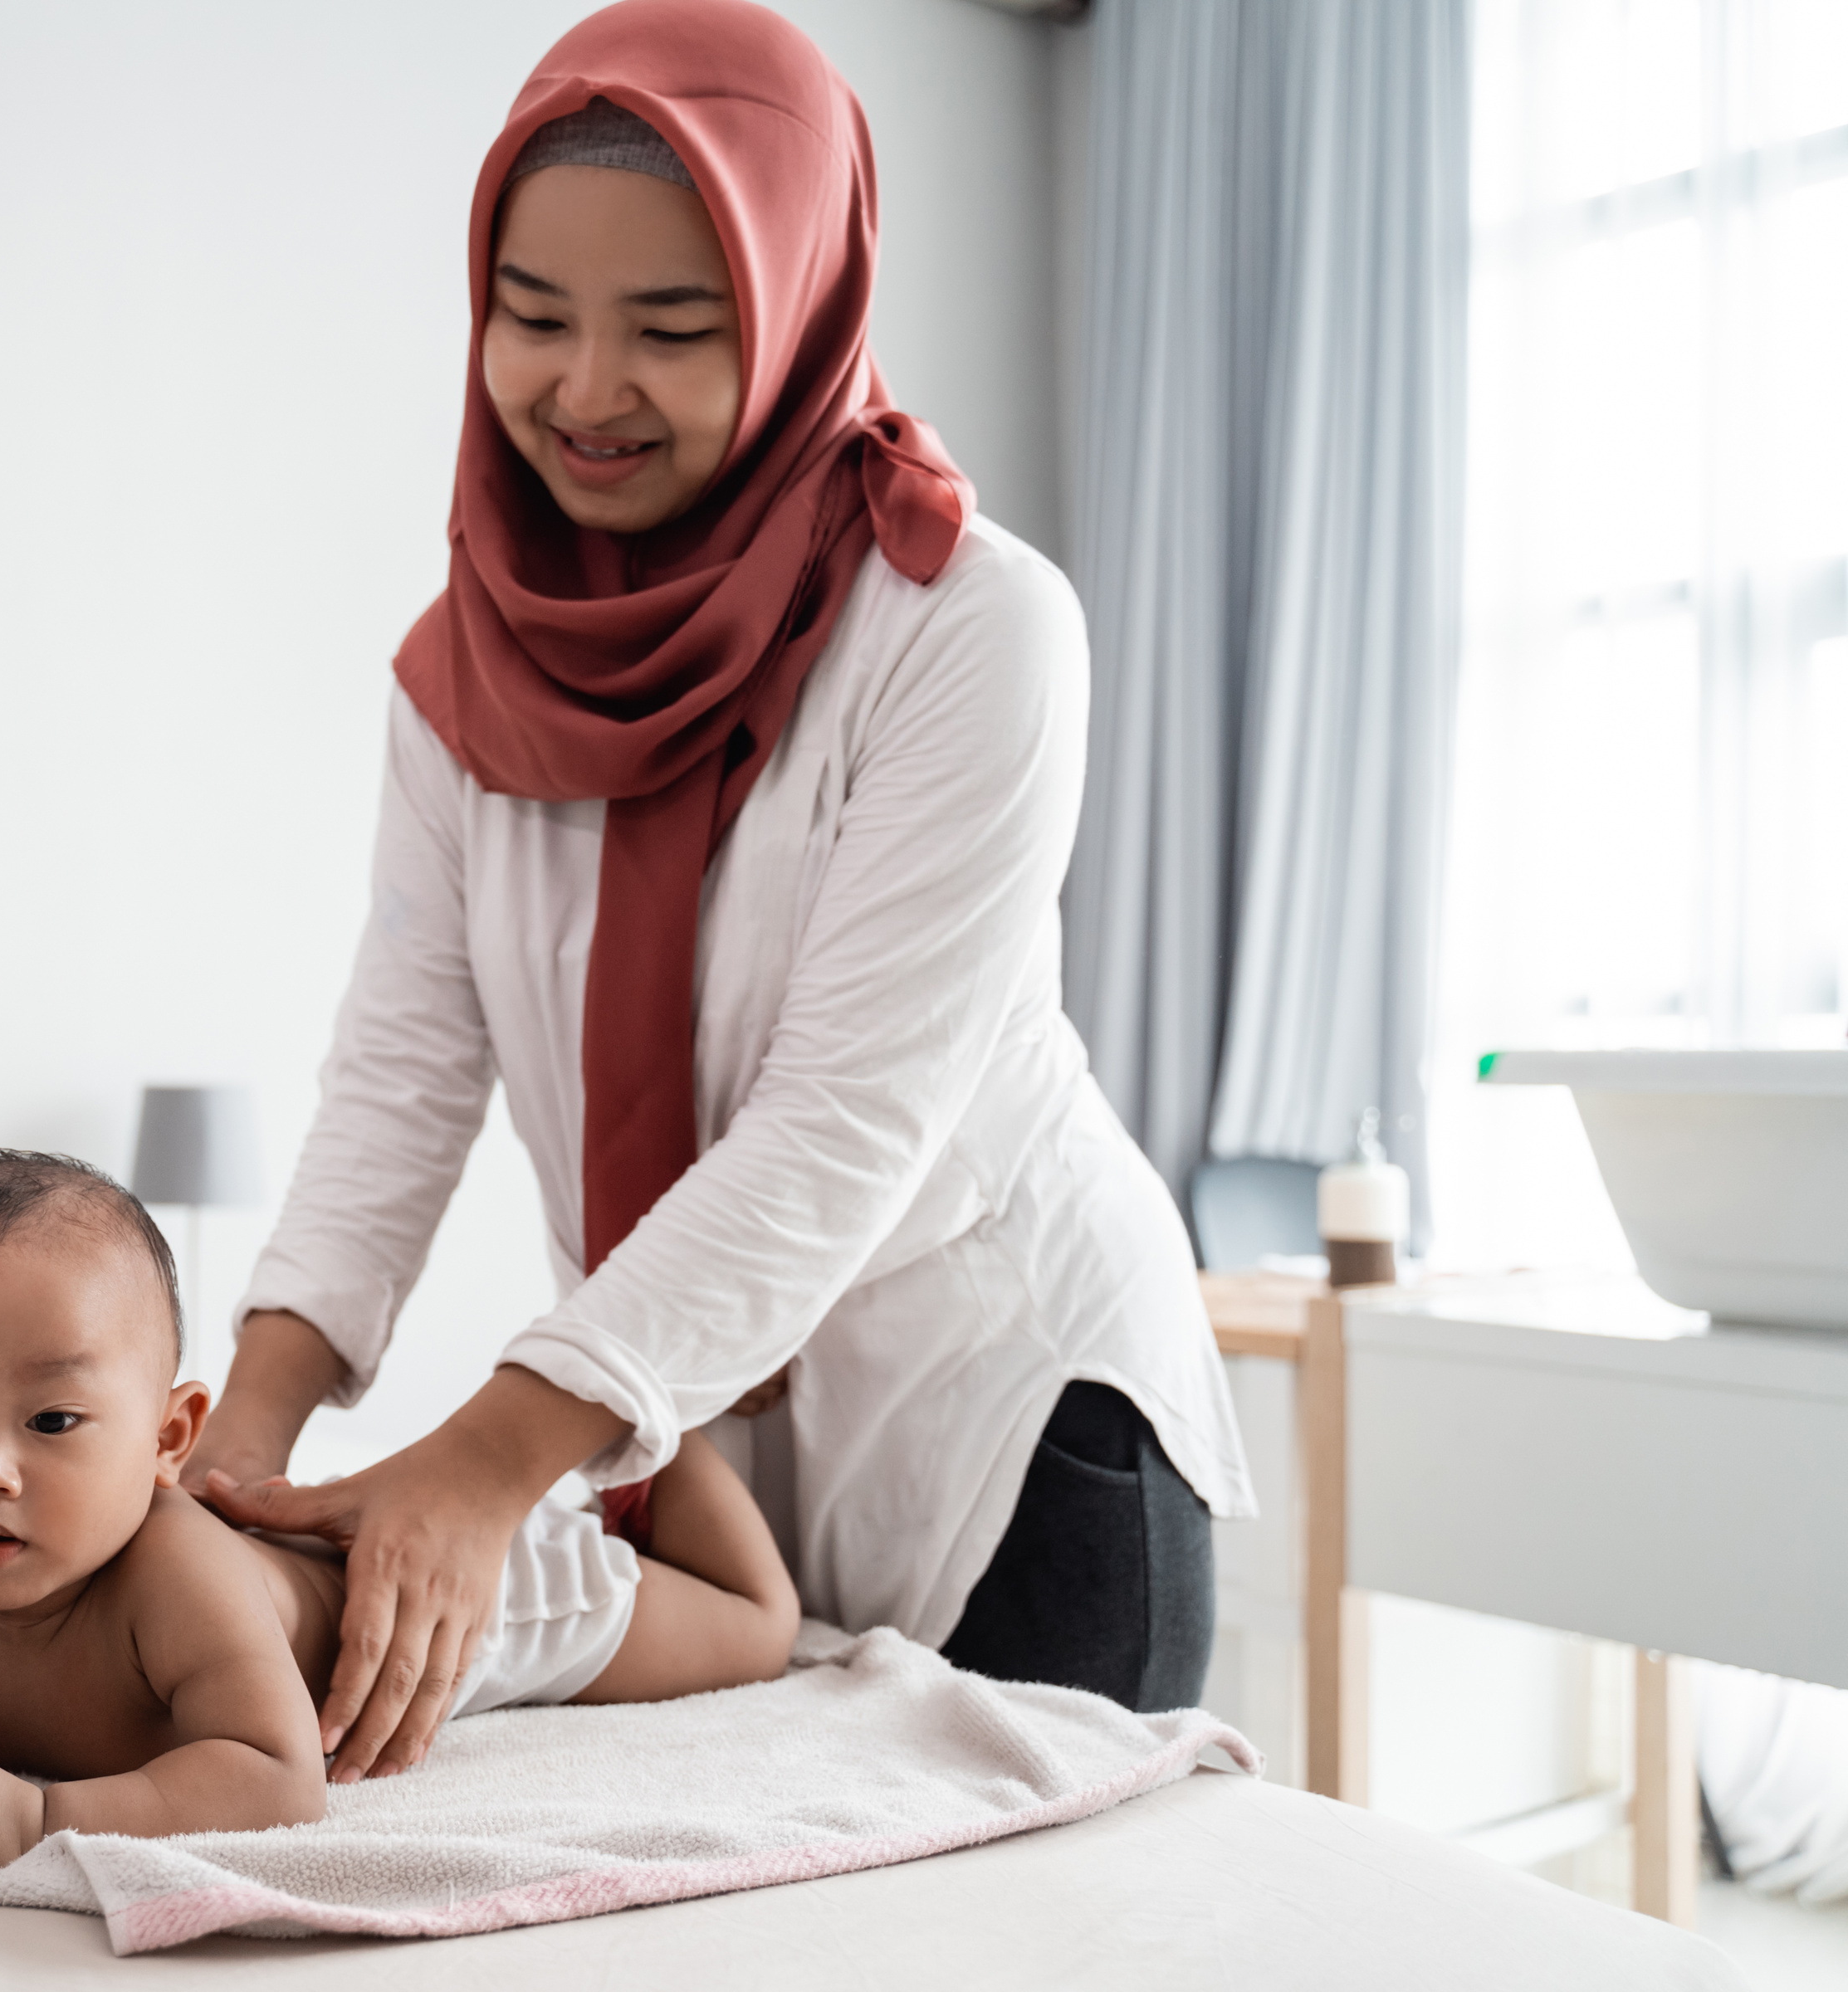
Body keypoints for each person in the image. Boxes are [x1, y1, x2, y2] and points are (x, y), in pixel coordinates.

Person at [188, 0, 1254, 1785]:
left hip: (1008, 1426)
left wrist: (479, 1463)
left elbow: (844, 1123)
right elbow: (400, 1080)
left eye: (674, 330)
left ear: (796, 314)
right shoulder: (461, 677)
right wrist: (234, 1458)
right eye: (532, 318)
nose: (585, 392)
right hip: (683, 1455)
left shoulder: (972, 632)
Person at [0, 1150, 796, 1887]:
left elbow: (274, 1779)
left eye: (55, 1418)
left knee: (755, 1628)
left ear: (171, 1438)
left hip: (431, 1607)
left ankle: (678, 1413)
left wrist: (41, 1819)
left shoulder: (174, 1577)